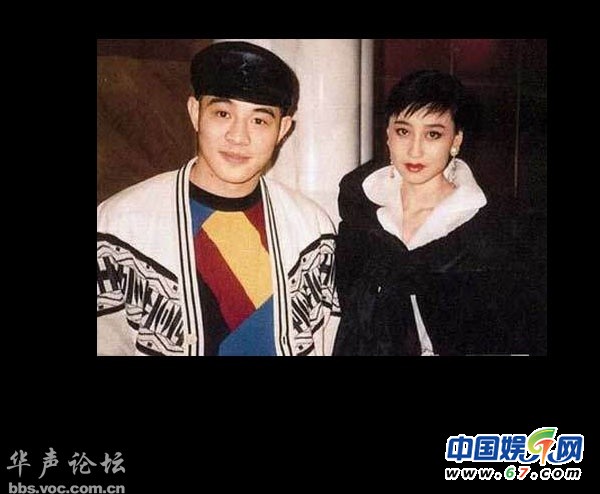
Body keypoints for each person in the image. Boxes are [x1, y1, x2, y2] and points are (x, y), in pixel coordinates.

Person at [97, 41, 340, 356]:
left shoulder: (312, 230)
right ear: (195, 113)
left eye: (259, 120)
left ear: (283, 130)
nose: (238, 136)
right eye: (223, 113)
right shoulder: (120, 225)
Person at [333, 69, 546, 356]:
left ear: (455, 141)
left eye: (433, 134)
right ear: (388, 135)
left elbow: (514, 334)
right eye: (403, 131)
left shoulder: (490, 229)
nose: (415, 150)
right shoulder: (360, 215)